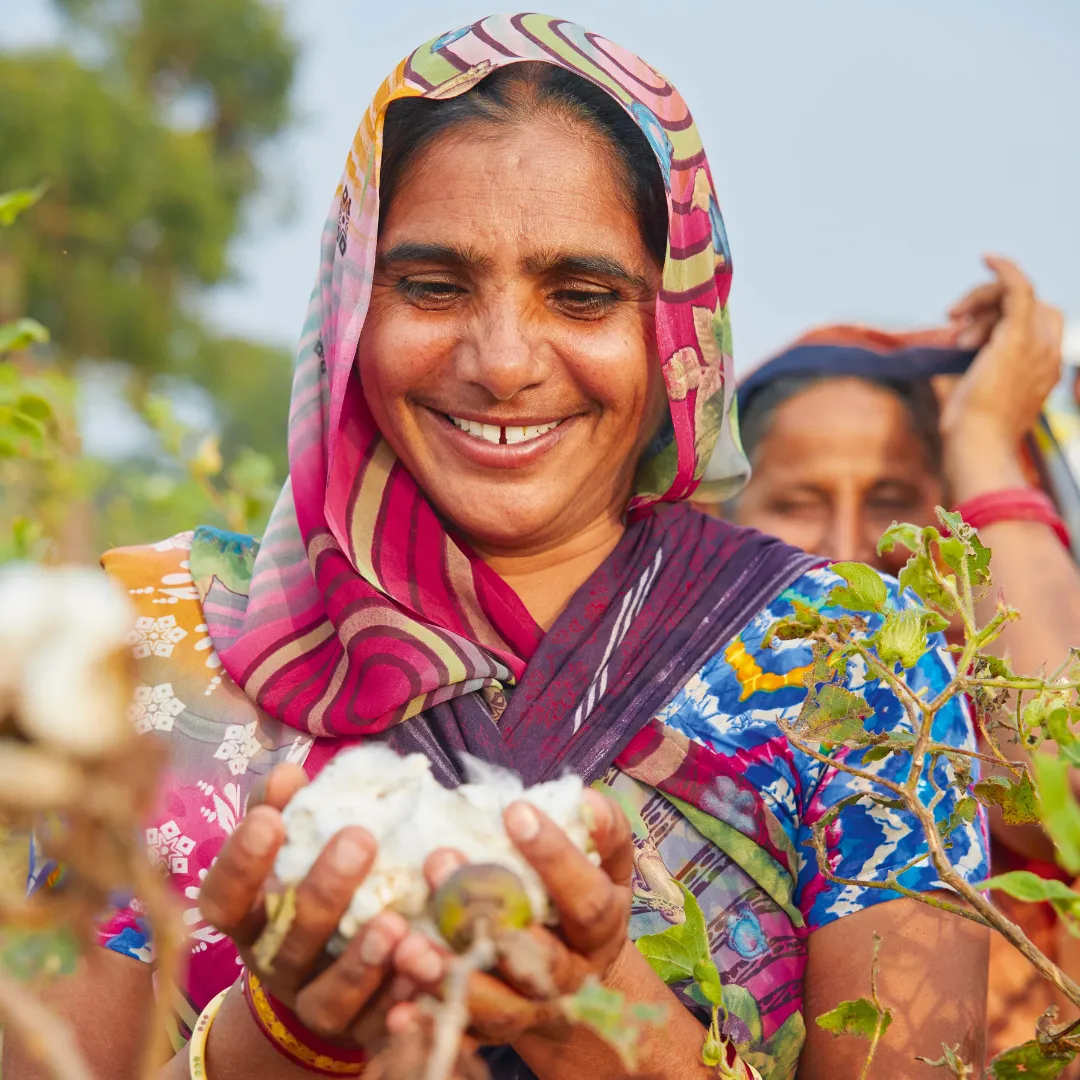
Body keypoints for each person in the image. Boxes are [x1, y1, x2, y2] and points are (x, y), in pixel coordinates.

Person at [4, 16, 989, 1080]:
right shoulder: (158, 643)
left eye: (583, 296)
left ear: (676, 325)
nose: (505, 361)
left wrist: (606, 1023)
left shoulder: (847, 663)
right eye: (432, 287)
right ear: (347, 304)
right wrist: (286, 1038)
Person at [726, 262, 1079, 1061]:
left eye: (890, 498)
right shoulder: (678, 722)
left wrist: (984, 437)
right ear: (721, 515)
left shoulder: (976, 689)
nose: (849, 547)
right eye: (797, 501)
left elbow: (1061, 797)